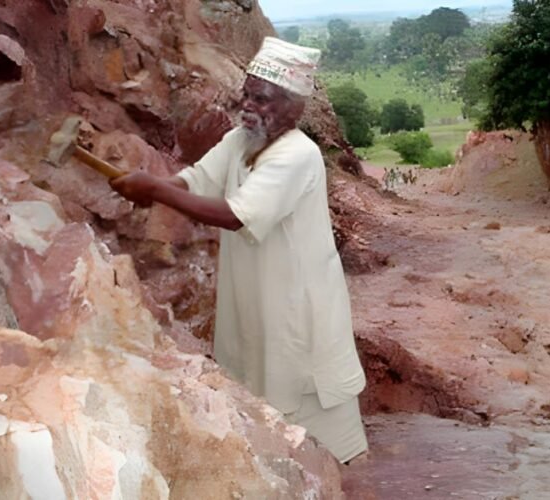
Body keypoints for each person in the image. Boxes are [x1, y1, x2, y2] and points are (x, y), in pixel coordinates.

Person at [109, 37, 368, 463]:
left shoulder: (297, 155)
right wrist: (153, 188)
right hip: (255, 302)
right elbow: (196, 180)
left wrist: (153, 189)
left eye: (261, 98)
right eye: (246, 95)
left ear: (293, 106)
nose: (247, 105)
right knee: (260, 404)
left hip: (297, 307)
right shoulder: (240, 140)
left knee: (315, 424)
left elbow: (234, 216)